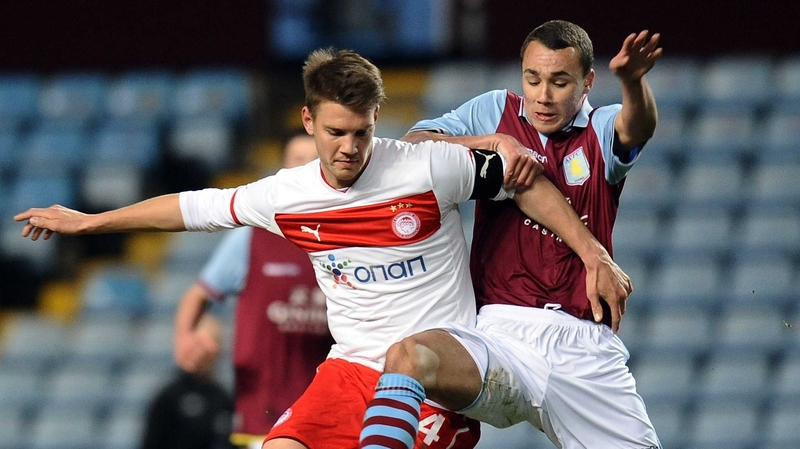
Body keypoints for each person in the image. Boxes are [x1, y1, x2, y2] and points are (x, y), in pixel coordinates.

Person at [15, 48, 630, 449]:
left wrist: (592, 253)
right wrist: (92, 223)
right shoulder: (289, 195)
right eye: (336, 132)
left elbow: (527, 185)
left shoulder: (427, 168)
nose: (349, 148)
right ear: (309, 122)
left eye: (362, 132)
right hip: (347, 370)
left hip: (430, 378)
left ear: (377, 118)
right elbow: (191, 208)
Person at [359, 20, 661, 449]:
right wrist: (493, 142)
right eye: (532, 79)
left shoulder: (600, 128)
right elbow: (412, 145)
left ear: (588, 82)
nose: (543, 95)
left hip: (582, 347)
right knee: (408, 356)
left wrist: (632, 83)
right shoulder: (495, 110)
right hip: (497, 334)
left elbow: (637, 127)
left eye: (559, 82)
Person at [172, 132, 334, 449]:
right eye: (297, 161)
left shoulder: (348, 239)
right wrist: (185, 338)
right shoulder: (252, 237)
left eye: (313, 162)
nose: (305, 170)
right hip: (264, 419)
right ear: (283, 171)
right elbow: (198, 295)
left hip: (329, 416)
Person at [141, 314, 235, 449]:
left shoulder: (223, 399)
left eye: (215, 341)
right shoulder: (171, 397)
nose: (208, 350)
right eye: (201, 343)